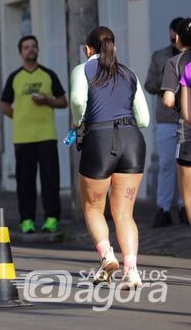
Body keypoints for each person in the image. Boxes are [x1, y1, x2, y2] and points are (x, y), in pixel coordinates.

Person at [70, 26, 150, 289]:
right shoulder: (129, 73)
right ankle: (132, 270)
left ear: (88, 49)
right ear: (113, 47)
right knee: (125, 213)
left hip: (100, 140)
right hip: (132, 140)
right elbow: (145, 119)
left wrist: (78, 121)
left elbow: (79, 101)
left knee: (93, 208)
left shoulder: (83, 69)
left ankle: (107, 256)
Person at [0, 35, 68, 234]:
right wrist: (19, 117)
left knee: (50, 180)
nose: (30, 50)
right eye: (26, 47)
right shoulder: (14, 77)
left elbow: (63, 101)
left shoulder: (48, 74)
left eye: (33, 47)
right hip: (23, 138)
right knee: (25, 182)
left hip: (46, 136)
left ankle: (52, 218)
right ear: (20, 53)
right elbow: (4, 105)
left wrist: (47, 101)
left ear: (37, 50)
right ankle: (27, 220)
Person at [145, 17, 185, 227]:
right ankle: (163, 208)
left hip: (187, 117)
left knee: (185, 165)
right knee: (166, 164)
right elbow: (149, 84)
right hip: (167, 117)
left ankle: (184, 206)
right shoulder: (160, 56)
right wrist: (166, 82)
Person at [164, 18, 191, 225]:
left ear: (178, 37)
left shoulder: (175, 63)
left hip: (188, 133)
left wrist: (180, 109)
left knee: (189, 198)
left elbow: (168, 100)